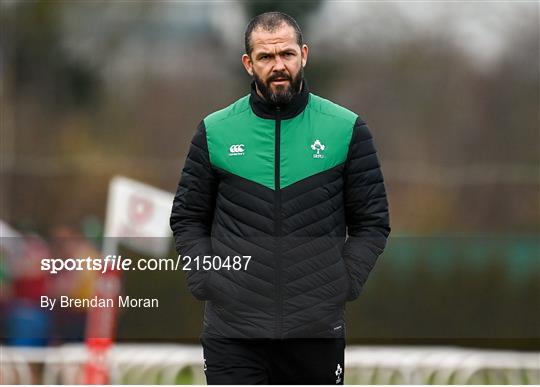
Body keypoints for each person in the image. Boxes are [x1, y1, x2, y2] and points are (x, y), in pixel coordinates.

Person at [170, 11, 390, 385]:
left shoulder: (346, 129)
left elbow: (372, 222)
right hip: (233, 332)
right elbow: (188, 218)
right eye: (266, 57)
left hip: (315, 331)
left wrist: (344, 280)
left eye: (286, 54)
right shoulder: (215, 131)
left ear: (304, 54)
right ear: (248, 63)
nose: (278, 66)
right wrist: (206, 278)